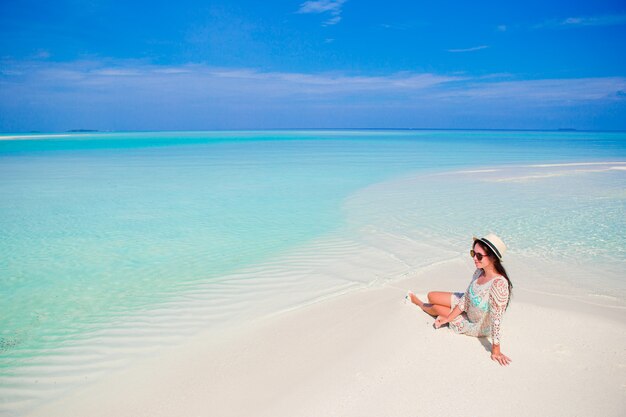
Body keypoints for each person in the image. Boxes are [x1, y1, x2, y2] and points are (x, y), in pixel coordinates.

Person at [408, 233, 513, 366]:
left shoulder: (499, 284)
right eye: (473, 253)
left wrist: (496, 349)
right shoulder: (479, 271)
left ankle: (418, 302)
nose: (474, 258)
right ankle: (442, 312)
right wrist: (448, 318)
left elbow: (496, 319)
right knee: (431, 295)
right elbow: (466, 300)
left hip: (476, 323)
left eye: (479, 256)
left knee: (435, 307)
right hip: (470, 305)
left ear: (493, 258)